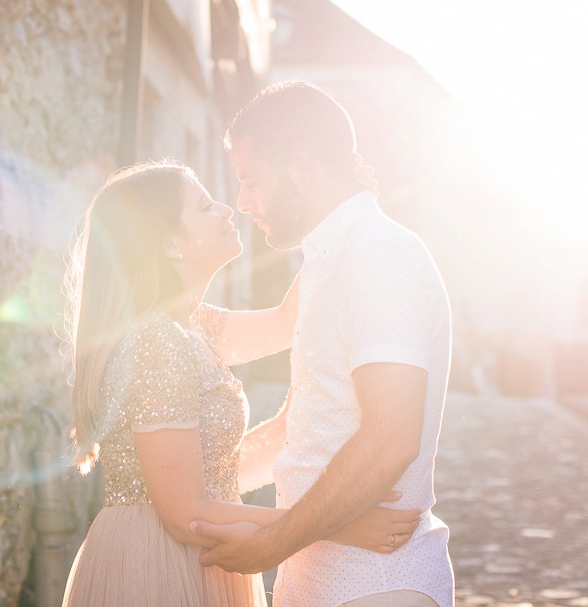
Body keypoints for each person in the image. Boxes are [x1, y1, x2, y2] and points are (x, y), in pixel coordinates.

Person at [61, 159, 421, 607]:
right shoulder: (159, 342)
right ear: (171, 242)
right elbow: (184, 514)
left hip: (198, 555)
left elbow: (289, 322)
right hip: (160, 563)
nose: (228, 209)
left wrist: (337, 213)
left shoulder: (193, 326)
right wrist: (333, 525)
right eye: (205, 205)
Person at [190, 81, 455, 607]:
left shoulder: (378, 256)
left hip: (378, 587)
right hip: (319, 582)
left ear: (302, 169)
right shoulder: (328, 262)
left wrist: (270, 544)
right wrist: (183, 487)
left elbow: (390, 438)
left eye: (252, 181)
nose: (242, 203)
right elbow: (303, 432)